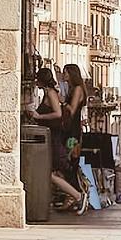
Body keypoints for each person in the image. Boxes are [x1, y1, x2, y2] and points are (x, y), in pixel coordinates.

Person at [30, 68, 87, 213]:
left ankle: (77, 194)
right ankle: (71, 196)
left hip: (71, 133)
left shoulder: (75, 90)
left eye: (66, 72)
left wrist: (39, 116)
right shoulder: (62, 91)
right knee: (59, 168)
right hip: (63, 133)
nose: (63, 75)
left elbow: (68, 111)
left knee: (67, 165)